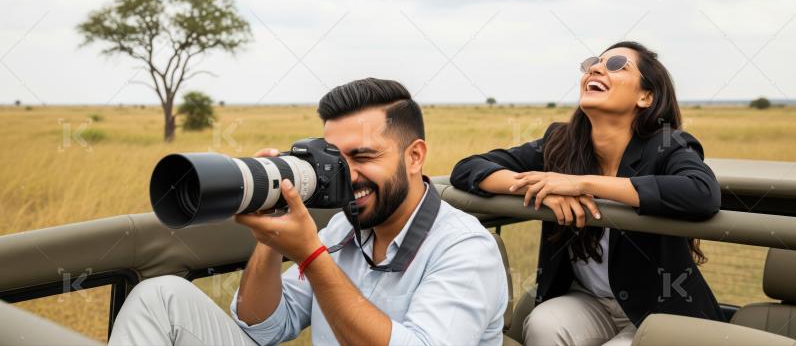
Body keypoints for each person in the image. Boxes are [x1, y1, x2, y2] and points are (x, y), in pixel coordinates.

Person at [109, 78, 507, 345]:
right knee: (159, 296)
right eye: (337, 158)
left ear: (415, 156)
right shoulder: (341, 229)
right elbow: (263, 327)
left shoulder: (465, 247)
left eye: (363, 156)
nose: (348, 175)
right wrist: (270, 232)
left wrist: (312, 257)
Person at [451, 41, 725, 346]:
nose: (595, 68)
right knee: (543, 325)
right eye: (594, 62)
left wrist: (583, 184)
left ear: (645, 96)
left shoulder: (666, 144)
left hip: (657, 309)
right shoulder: (561, 141)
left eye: (616, 64)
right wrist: (544, 187)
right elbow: (467, 168)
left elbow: (702, 193)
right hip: (588, 301)